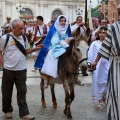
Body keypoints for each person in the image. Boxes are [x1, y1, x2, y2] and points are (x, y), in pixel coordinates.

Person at [0, 19, 44, 120]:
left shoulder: (23, 37)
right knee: (6, 91)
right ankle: (7, 111)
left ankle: (24, 114)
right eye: (19, 28)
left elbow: (25, 51)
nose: (22, 30)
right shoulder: (4, 38)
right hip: (8, 70)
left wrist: (35, 49)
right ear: (13, 28)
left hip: (21, 69)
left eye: (23, 28)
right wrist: (4, 65)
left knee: (22, 91)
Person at [90, 4, 120, 120]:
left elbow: (104, 49)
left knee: (117, 93)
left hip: (116, 64)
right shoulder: (112, 28)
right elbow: (104, 48)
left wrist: (94, 63)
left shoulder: (112, 28)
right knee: (115, 92)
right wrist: (95, 63)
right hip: (116, 64)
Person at [34, 15, 72, 89]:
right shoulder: (55, 29)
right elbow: (54, 41)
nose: (63, 22)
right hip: (55, 46)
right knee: (51, 56)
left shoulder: (67, 28)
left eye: (64, 21)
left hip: (66, 46)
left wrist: (70, 42)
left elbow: (69, 38)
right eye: (61, 21)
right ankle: (47, 79)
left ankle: (75, 77)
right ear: (58, 22)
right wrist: (64, 44)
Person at [87, 26, 109, 110]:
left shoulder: (109, 44)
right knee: (98, 82)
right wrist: (90, 64)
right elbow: (90, 55)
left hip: (107, 65)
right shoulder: (95, 43)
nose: (102, 34)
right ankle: (100, 101)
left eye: (104, 33)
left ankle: (105, 99)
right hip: (97, 66)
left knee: (106, 82)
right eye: (100, 33)